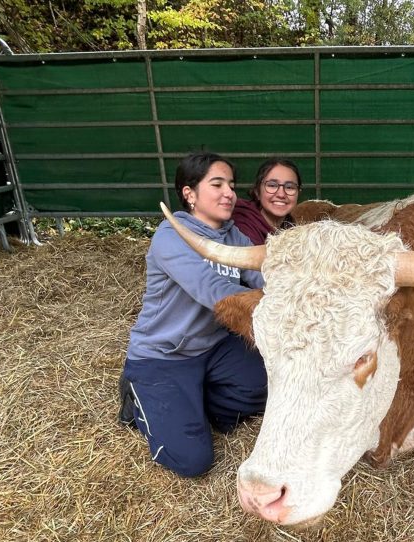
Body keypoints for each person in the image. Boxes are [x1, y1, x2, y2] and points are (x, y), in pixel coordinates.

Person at [118, 152, 267, 478]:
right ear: (189, 193)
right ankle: (137, 396)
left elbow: (265, 278)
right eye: (217, 184)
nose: (229, 192)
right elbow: (212, 290)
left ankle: (194, 402)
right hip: (164, 356)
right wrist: (274, 304)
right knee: (191, 462)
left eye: (231, 184)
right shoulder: (169, 237)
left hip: (213, 346)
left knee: (267, 381)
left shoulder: (234, 237)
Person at [231, 158, 302, 245]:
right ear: (257, 192)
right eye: (272, 185)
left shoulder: (292, 228)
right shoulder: (243, 225)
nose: (281, 194)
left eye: (289, 187)